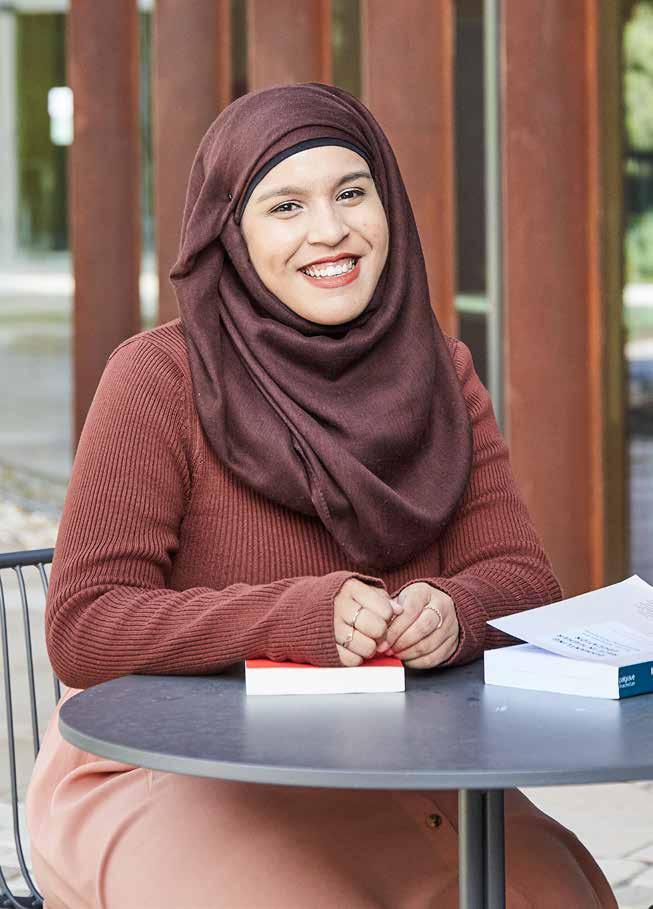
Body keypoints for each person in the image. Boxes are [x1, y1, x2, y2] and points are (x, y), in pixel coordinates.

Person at [26, 82, 616, 908]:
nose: (330, 229)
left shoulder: (438, 372)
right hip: (168, 765)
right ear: (230, 232)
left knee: (557, 895)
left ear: (387, 205)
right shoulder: (157, 376)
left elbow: (521, 579)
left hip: (392, 758)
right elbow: (85, 624)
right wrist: (296, 619)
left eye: (351, 192)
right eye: (285, 206)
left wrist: (453, 611)